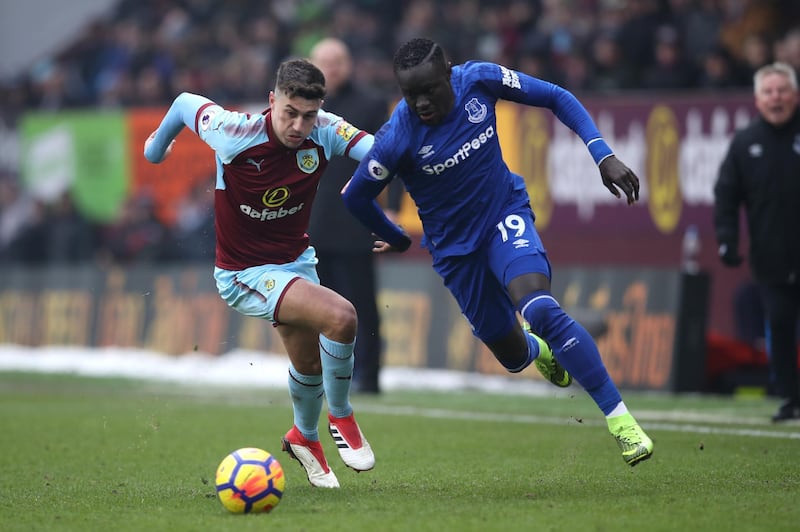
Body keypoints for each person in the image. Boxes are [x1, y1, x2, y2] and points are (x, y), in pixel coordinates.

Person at [342, 37, 653, 466]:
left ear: (448, 73)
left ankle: (623, 424)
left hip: (503, 216)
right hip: (454, 253)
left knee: (540, 308)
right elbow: (356, 197)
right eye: (410, 94)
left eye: (429, 89)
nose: (421, 102)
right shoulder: (398, 135)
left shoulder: (480, 80)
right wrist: (395, 235)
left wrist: (602, 154)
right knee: (511, 355)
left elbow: (556, 96)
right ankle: (542, 352)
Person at [143, 58, 376, 487]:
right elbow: (181, 103)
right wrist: (156, 149)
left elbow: (379, 154)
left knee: (307, 363)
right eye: (290, 113)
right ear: (272, 101)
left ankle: (303, 437)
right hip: (243, 273)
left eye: (308, 116)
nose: (299, 126)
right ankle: (341, 416)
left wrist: (384, 219)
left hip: (296, 263)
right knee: (342, 318)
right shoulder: (233, 131)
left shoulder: (325, 128)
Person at [713, 61, 800, 422]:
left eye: (781, 91)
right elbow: (727, 196)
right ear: (757, 99)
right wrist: (727, 241)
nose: (776, 98)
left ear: (794, 95)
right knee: (779, 327)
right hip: (771, 257)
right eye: (769, 91)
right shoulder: (746, 143)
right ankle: (790, 397)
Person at [308, 38, 396, 394]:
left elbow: (392, 155)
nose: (332, 68)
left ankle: (370, 377)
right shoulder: (302, 107)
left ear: (349, 64)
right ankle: (326, 376)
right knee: (317, 307)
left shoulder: (372, 103)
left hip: (356, 221)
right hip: (313, 222)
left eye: (338, 61)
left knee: (362, 306)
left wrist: (391, 210)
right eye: (324, 62)